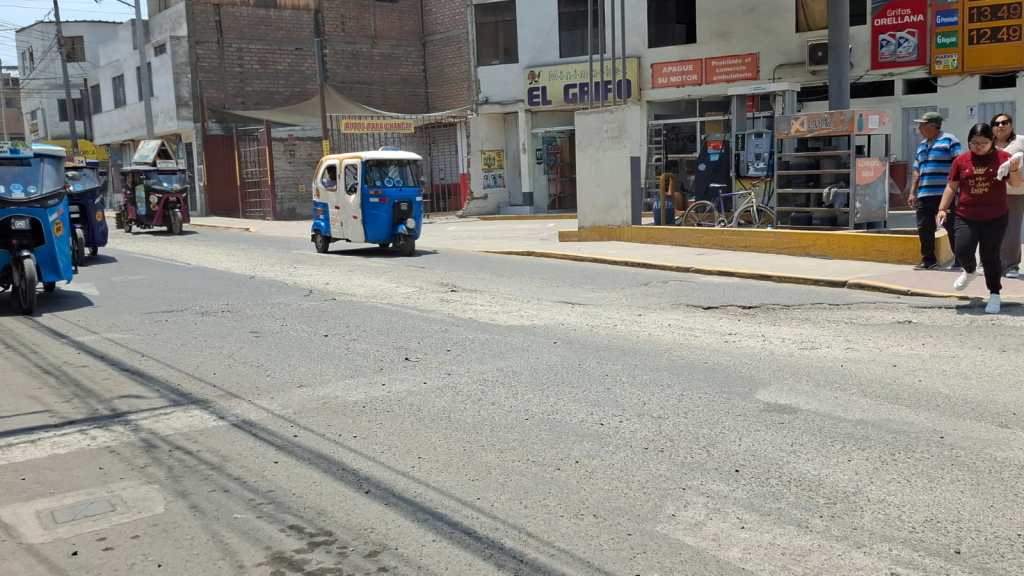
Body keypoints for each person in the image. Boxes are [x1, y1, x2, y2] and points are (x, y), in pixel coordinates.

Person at [937, 123, 1023, 314]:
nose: (978, 147)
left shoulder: (1003, 158)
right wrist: (942, 208)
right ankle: (969, 271)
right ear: (968, 142)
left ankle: (994, 294)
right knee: (962, 249)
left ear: (992, 141)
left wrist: (1014, 169)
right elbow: (952, 186)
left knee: (990, 256)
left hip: (995, 216)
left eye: (983, 143)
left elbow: (1016, 184)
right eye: (974, 143)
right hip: (966, 215)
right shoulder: (961, 160)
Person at [909, 112, 961, 270]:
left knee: (952, 227)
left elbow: (959, 165)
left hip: (946, 194)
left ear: (932, 125)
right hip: (925, 194)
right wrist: (912, 192)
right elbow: (916, 170)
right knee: (924, 228)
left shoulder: (949, 140)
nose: (919, 128)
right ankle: (928, 260)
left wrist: (958, 191)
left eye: (921, 125)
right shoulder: (921, 145)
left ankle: (960, 260)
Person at [992, 113, 1024, 278]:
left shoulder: (1020, 141)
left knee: (1012, 230)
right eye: (996, 123)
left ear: (1011, 125)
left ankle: (1012, 266)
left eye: (1004, 122)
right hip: (991, 193)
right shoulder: (988, 144)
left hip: (1015, 192)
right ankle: (992, 262)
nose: (1000, 126)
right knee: (992, 229)